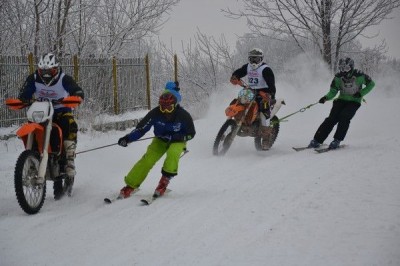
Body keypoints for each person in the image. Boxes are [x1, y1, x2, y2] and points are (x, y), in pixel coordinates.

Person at [18, 52, 84, 199]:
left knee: (70, 124)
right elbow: (25, 92)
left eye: (50, 71)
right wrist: (23, 99)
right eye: (43, 71)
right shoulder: (34, 78)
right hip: (40, 113)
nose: (46, 75)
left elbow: (75, 88)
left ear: (56, 69)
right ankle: (32, 156)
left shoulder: (63, 78)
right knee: (30, 126)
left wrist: (77, 95)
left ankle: (69, 161)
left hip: (60, 112)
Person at [117, 89, 196, 198]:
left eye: (169, 107)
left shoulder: (183, 115)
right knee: (147, 160)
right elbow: (141, 129)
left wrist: (179, 136)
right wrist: (128, 138)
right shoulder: (155, 113)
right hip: (160, 140)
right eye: (162, 107)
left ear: (175, 105)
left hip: (178, 141)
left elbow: (191, 133)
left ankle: (164, 181)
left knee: (173, 153)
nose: (165, 110)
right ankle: (130, 185)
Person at [308, 57, 375, 149]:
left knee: (344, 117)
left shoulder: (359, 75)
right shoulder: (338, 77)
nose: (344, 70)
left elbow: (371, 84)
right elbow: (333, 91)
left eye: (346, 68)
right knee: (331, 119)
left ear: (351, 67)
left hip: (354, 102)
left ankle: (337, 140)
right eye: (342, 68)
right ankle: (316, 140)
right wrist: (326, 98)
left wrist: (360, 93)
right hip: (341, 100)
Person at [230, 48, 277, 149]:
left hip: (263, 94)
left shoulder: (265, 69)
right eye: (251, 59)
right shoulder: (248, 67)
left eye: (256, 59)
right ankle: (233, 123)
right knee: (238, 101)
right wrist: (235, 76)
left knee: (264, 112)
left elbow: (272, 85)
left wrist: (270, 94)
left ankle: (266, 138)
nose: (253, 62)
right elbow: (239, 71)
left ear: (261, 59)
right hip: (250, 92)